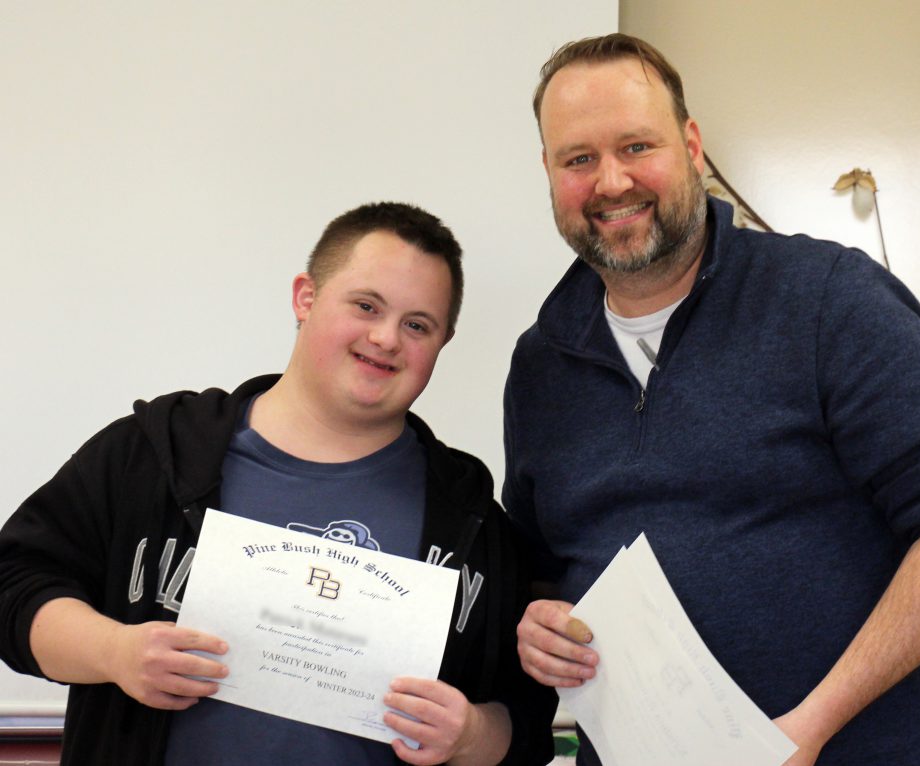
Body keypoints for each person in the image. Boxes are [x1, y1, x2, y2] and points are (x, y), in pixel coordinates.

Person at [504, 32, 920, 766]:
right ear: (550, 173)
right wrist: (538, 626)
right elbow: (543, 569)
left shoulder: (826, 299)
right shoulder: (540, 364)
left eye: (636, 146)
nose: (611, 181)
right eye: (578, 159)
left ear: (690, 145)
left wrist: (808, 728)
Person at [0, 202, 555, 766]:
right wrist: (113, 652)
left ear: (443, 342)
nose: (387, 338)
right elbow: (12, 584)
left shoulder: (473, 521)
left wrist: (469, 735)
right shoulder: (151, 455)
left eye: (418, 325)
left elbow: (526, 722)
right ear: (305, 298)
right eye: (366, 306)